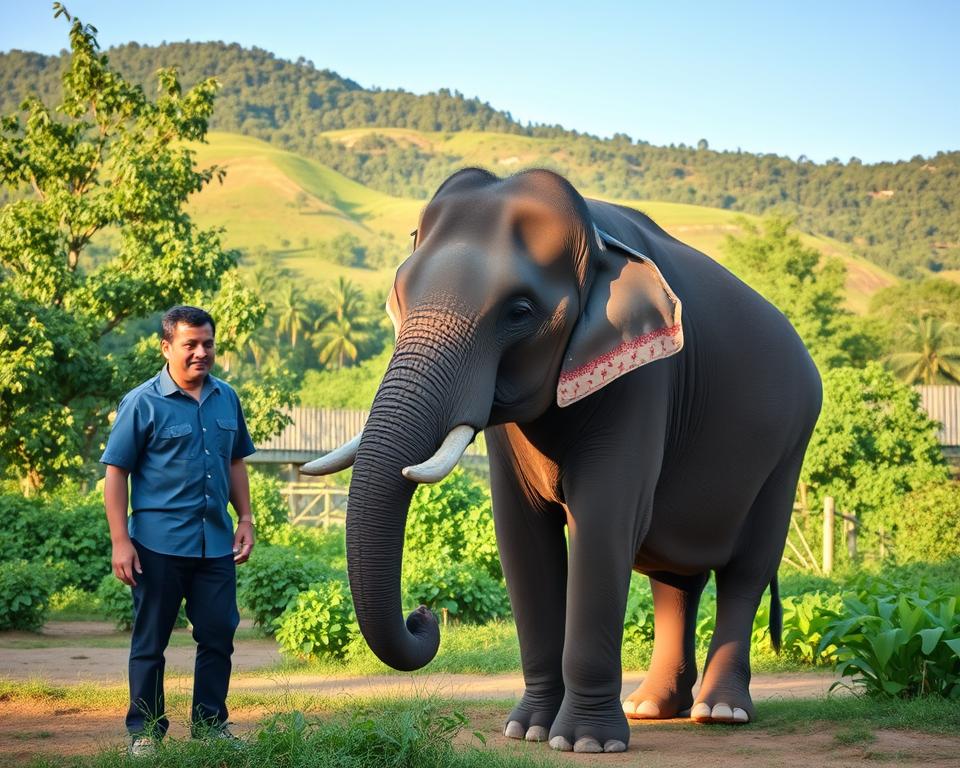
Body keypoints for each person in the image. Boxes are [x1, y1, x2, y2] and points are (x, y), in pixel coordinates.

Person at [100, 305, 257, 756]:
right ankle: (145, 732)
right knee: (151, 640)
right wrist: (120, 541)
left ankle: (211, 727)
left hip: (215, 545)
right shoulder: (142, 402)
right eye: (190, 344)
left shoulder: (227, 397)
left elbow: (235, 462)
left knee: (218, 636)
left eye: (207, 343)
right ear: (166, 346)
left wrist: (244, 519)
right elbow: (116, 473)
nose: (200, 352)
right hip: (156, 545)